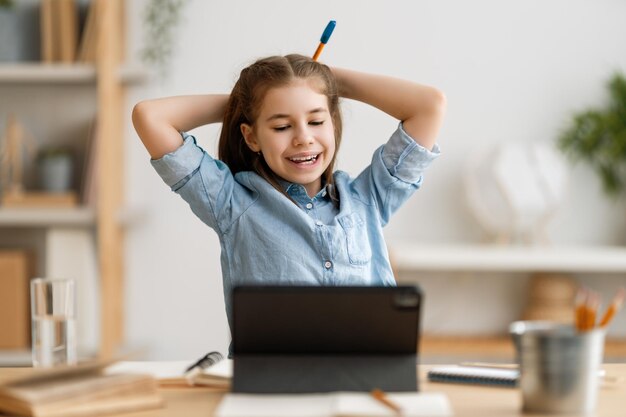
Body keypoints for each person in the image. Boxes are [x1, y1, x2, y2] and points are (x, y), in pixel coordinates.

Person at [132, 54, 445, 345]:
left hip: (370, 375)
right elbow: (150, 117)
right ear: (251, 136)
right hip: (271, 386)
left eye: (316, 121)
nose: (303, 138)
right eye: (281, 125)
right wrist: (247, 102)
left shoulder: (367, 198)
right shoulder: (232, 204)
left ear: (333, 124)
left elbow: (429, 106)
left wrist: (330, 81)